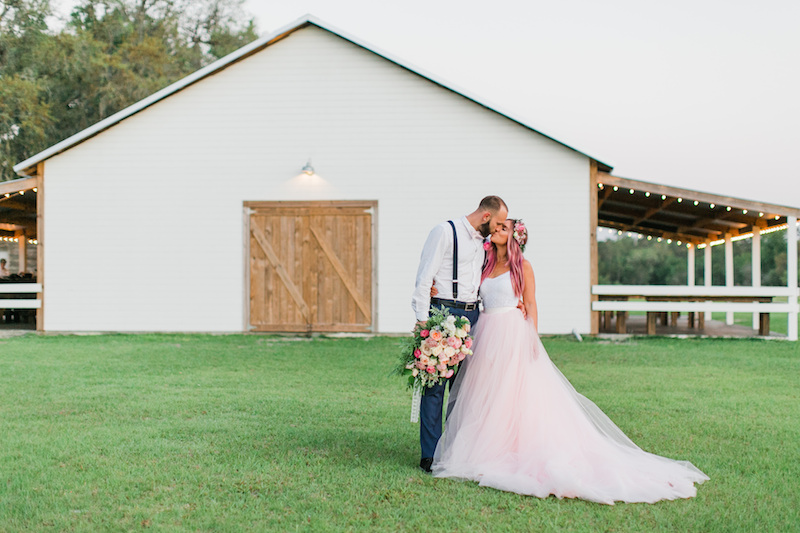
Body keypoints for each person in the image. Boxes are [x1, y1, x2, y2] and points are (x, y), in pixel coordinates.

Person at [431, 219, 709, 504]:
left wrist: (531, 339)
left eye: (503, 228)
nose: (497, 230)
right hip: (486, 333)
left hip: (512, 334)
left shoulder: (523, 267)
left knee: (513, 395)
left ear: (515, 237)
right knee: (486, 394)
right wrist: (434, 285)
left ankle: (512, 447)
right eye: (497, 227)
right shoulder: (485, 265)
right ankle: (484, 447)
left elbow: (532, 303)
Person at [411, 195, 508, 473]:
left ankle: (453, 450)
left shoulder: (484, 243)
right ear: (486, 217)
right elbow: (423, 278)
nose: (500, 229)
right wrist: (422, 322)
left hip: (474, 317)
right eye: (498, 222)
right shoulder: (444, 232)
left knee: (464, 391)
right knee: (435, 389)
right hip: (443, 313)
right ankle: (429, 455)